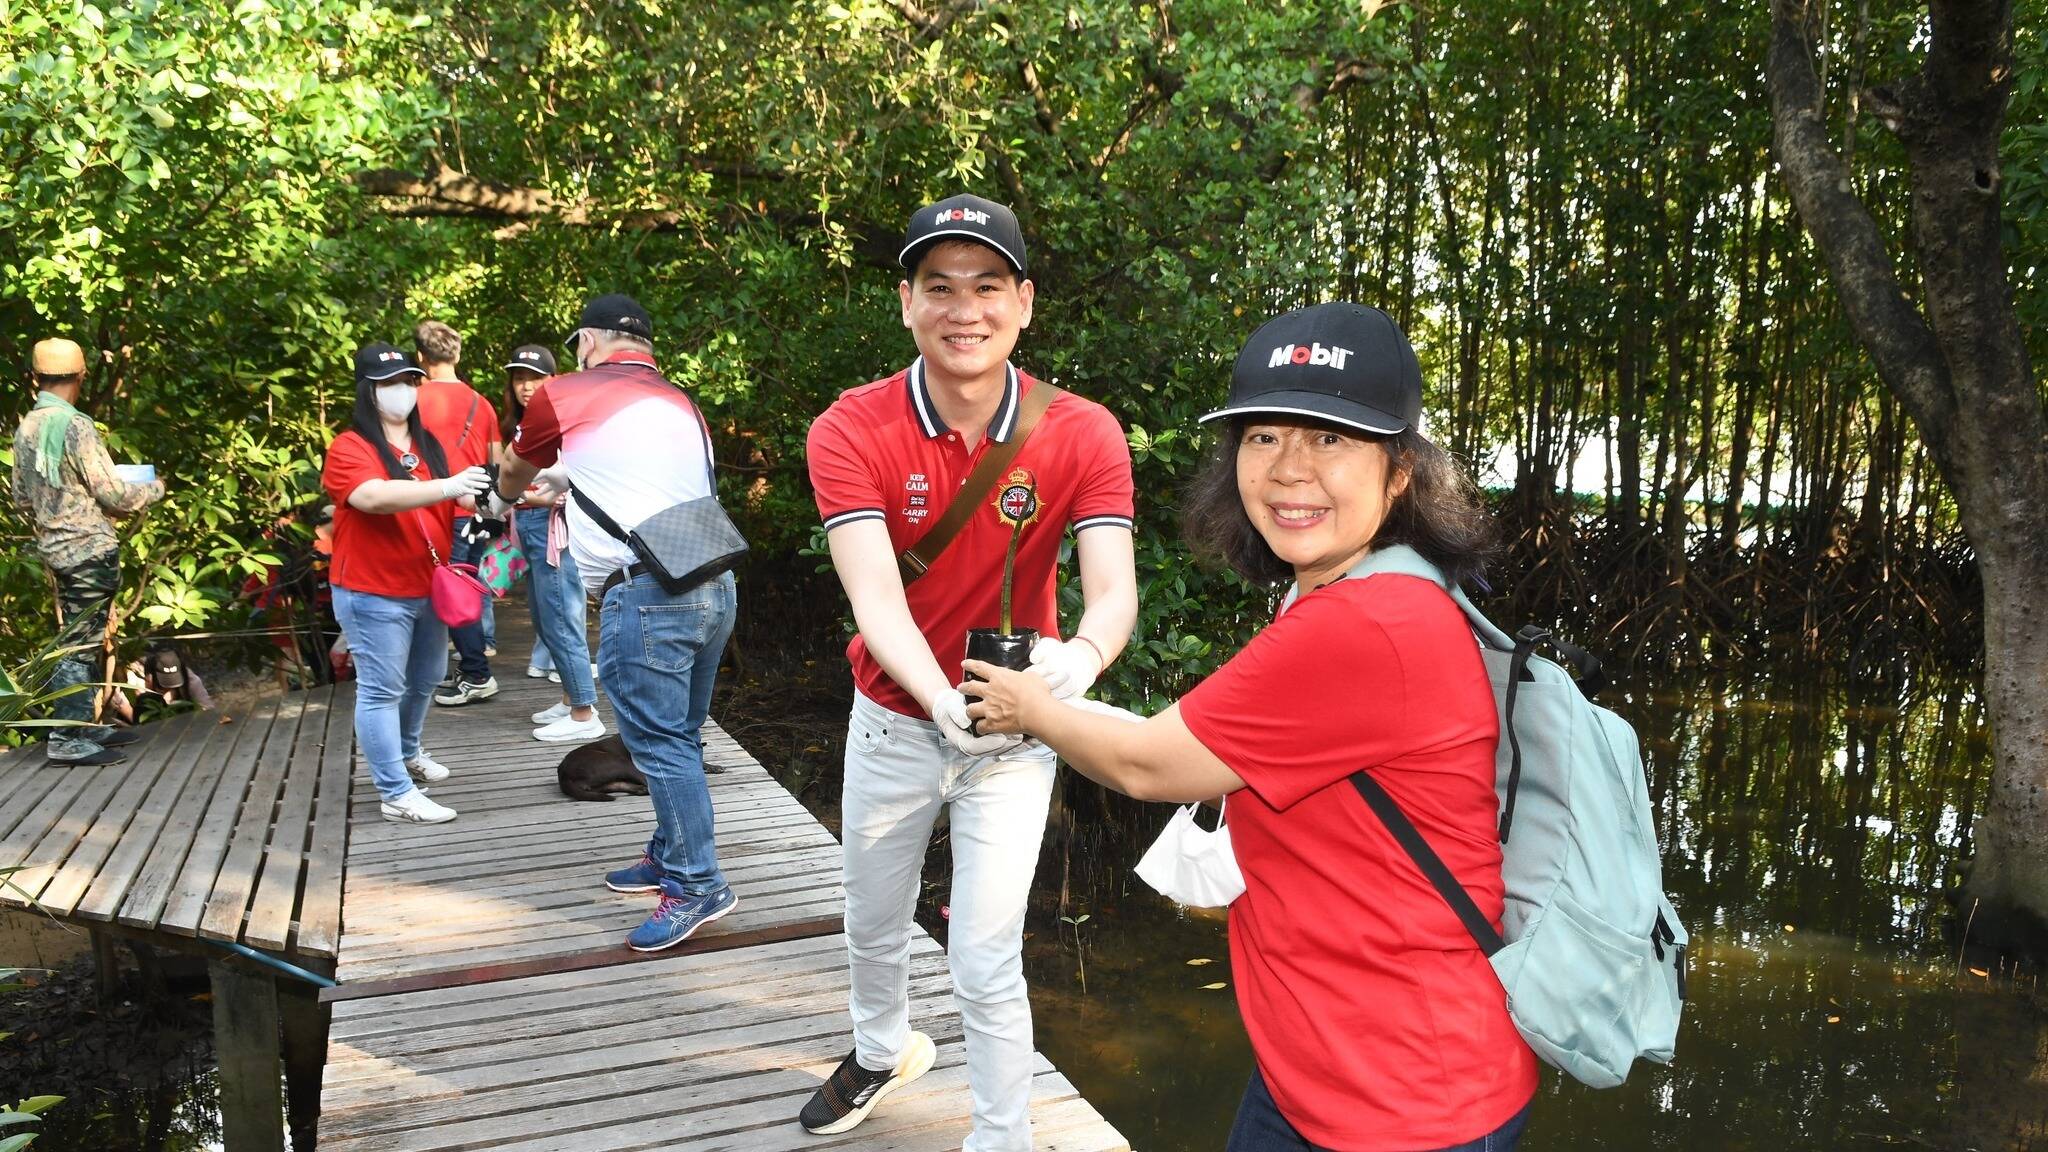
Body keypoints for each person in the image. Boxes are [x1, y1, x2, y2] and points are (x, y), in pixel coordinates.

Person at [961, 303, 1539, 1152]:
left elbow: (1148, 766)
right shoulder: (1356, 588)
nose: (1289, 469)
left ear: (1402, 470)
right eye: (1264, 437)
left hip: (1405, 1100)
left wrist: (1033, 708)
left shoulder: (1364, 624)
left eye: (1332, 439)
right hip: (1322, 1066)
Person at [799, 194, 1138, 1148]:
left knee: (984, 956)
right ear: (906, 303)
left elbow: (1111, 591)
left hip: (1017, 731)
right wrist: (938, 697)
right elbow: (877, 599)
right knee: (870, 920)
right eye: (939, 287)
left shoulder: (1082, 431)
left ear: (1023, 302)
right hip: (893, 716)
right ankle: (880, 1048)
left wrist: (1074, 664)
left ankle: (1001, 1137)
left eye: (988, 286)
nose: (965, 310)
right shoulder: (851, 429)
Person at [492, 293, 741, 950]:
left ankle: (694, 883)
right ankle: (669, 851)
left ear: (586, 342)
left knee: (659, 745)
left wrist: (502, 495)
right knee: (678, 738)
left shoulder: (564, 393)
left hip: (649, 594)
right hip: (714, 583)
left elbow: (515, 475)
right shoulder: (682, 402)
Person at [321, 342, 494, 824]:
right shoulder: (349, 446)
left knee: (426, 679)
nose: (402, 391)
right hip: (370, 589)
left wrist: (497, 498)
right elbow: (371, 496)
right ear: (368, 390)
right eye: (389, 383)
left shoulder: (427, 446)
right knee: (381, 689)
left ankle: (407, 753)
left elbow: (460, 501)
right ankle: (395, 792)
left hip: (426, 585)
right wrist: (447, 486)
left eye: (409, 381)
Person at [9, 337, 164, 765]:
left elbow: (22, 497)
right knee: (79, 644)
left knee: (82, 639)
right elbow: (113, 493)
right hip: (89, 551)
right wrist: (153, 489)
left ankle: (82, 728)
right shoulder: (75, 426)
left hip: (57, 550)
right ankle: (67, 738)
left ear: (35, 378)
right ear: (80, 376)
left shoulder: (27, 427)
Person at [499, 343, 603, 743]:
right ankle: (569, 698)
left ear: (551, 379)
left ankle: (583, 712)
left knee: (562, 617)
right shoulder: (520, 423)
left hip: (554, 525)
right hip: (527, 523)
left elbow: (581, 472)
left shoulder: (565, 415)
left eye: (535, 378)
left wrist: (534, 495)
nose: (526, 386)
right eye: (519, 378)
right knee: (545, 617)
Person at [413, 319, 503, 707]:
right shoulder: (481, 403)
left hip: (435, 513)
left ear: (421, 357)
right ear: (457, 354)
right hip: (475, 513)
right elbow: (496, 462)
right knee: (465, 588)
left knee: (449, 594)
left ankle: (476, 673)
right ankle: (470, 666)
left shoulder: (413, 401)